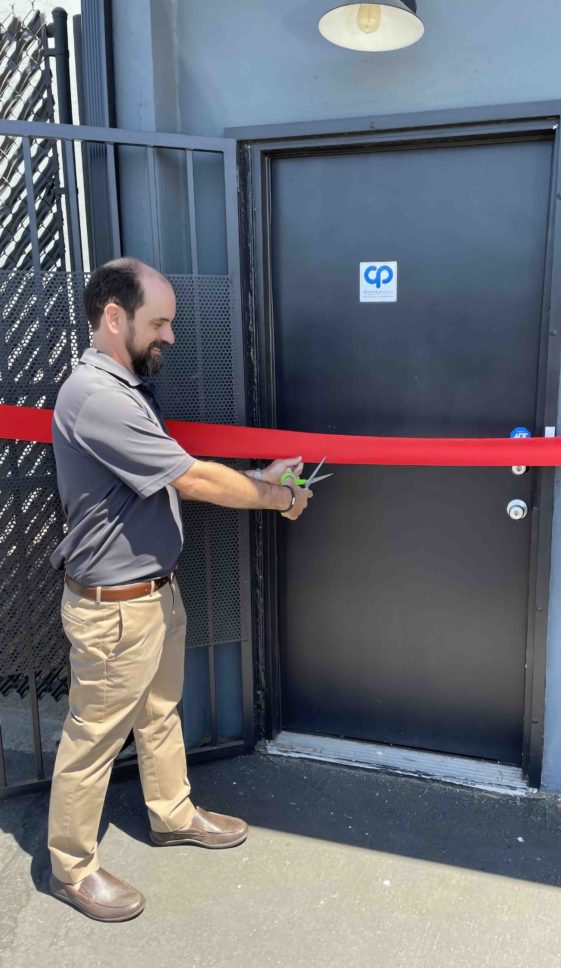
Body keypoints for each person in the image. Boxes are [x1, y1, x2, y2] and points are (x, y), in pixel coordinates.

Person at [47, 257, 312, 922]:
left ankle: (170, 815)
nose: (169, 335)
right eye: (158, 322)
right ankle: (72, 869)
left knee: (160, 712)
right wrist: (278, 495)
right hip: (114, 609)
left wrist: (260, 474)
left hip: (151, 594)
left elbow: (170, 471)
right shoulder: (99, 395)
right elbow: (190, 479)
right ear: (115, 318)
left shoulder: (125, 385)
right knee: (94, 738)